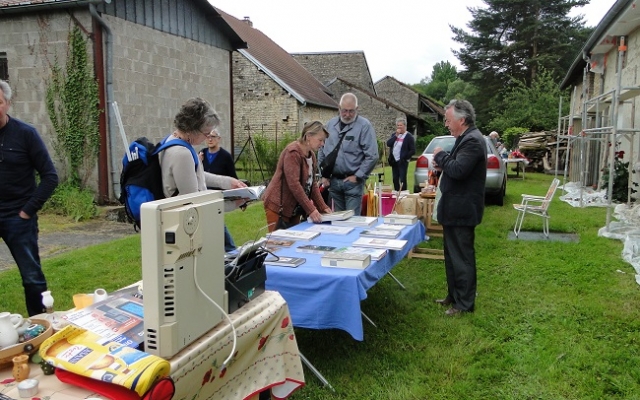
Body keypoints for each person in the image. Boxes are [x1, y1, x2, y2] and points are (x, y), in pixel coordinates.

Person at [0, 79, 59, 316]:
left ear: (7, 103)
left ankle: (40, 325)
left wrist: (27, 211)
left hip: (18, 218)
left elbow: (50, 177)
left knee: (32, 277)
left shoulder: (25, 134)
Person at [432, 99, 487, 316]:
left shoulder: (472, 140)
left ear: (461, 120)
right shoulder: (465, 138)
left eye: (448, 120)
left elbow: (459, 170)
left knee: (462, 258)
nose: (446, 124)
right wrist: (442, 165)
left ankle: (464, 304)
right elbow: (456, 167)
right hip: (454, 209)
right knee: (452, 256)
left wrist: (440, 155)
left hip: (462, 210)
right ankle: (454, 295)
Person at [159, 97, 247, 228]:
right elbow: (194, 202)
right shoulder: (182, 153)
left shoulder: (171, 140)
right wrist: (232, 204)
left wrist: (228, 182)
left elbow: (194, 175)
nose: (207, 137)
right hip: (189, 225)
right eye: (206, 133)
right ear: (192, 129)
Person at [262, 121, 332, 232]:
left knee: (295, 239)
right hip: (278, 207)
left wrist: (323, 207)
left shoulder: (311, 156)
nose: (322, 144)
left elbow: (312, 184)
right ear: (308, 136)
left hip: (294, 208)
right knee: (278, 241)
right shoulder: (292, 153)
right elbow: (294, 185)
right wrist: (311, 210)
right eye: (320, 140)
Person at [319, 93, 378, 216]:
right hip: (333, 182)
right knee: (337, 220)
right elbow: (321, 149)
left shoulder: (364, 126)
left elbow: (372, 156)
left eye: (351, 111)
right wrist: (323, 174)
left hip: (353, 184)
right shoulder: (330, 125)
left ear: (357, 109)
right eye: (344, 110)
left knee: (352, 221)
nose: (347, 114)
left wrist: (358, 176)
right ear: (339, 108)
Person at [199, 129, 239, 252]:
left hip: (219, 197)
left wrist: (239, 197)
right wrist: (199, 162)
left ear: (219, 139)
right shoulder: (201, 154)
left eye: (213, 136)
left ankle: (231, 249)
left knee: (217, 221)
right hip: (204, 195)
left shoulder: (225, 156)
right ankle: (224, 249)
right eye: (208, 136)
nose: (210, 139)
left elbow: (233, 178)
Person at [386, 117, 416, 192]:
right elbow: (388, 144)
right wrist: (396, 135)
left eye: (401, 125)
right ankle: (396, 192)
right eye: (398, 125)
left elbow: (412, 150)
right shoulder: (394, 135)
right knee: (395, 178)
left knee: (402, 179)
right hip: (394, 161)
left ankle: (403, 193)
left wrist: (405, 157)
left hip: (402, 161)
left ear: (405, 126)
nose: (399, 127)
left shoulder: (409, 136)